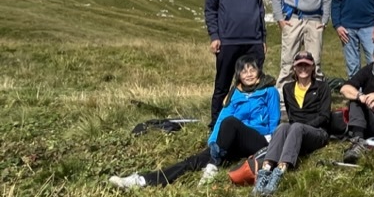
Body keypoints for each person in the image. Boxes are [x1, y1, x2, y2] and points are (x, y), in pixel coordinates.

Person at [109, 55, 279, 189]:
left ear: (259, 71)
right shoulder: (235, 93)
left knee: (231, 122)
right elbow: (220, 120)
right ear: (238, 75)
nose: (248, 74)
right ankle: (143, 180)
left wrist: (270, 147)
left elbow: (274, 120)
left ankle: (213, 165)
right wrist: (214, 142)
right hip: (231, 140)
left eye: (252, 70)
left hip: (259, 140)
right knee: (193, 161)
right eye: (244, 71)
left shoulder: (269, 90)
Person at [252, 51, 332, 196]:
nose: (303, 68)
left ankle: (280, 172)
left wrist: (303, 127)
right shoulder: (287, 88)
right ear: (294, 68)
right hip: (295, 132)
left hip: (318, 132)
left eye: (306, 65)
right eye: (299, 65)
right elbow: (291, 115)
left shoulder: (322, 87)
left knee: (295, 126)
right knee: (283, 126)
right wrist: (296, 129)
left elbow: (325, 116)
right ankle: (266, 170)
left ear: (312, 67)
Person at [204, 0, 266, 127]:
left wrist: (263, 40)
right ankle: (216, 123)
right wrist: (214, 36)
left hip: (253, 42)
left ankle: (252, 120)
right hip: (228, 41)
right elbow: (210, 9)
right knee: (223, 83)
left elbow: (260, 12)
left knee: (254, 83)